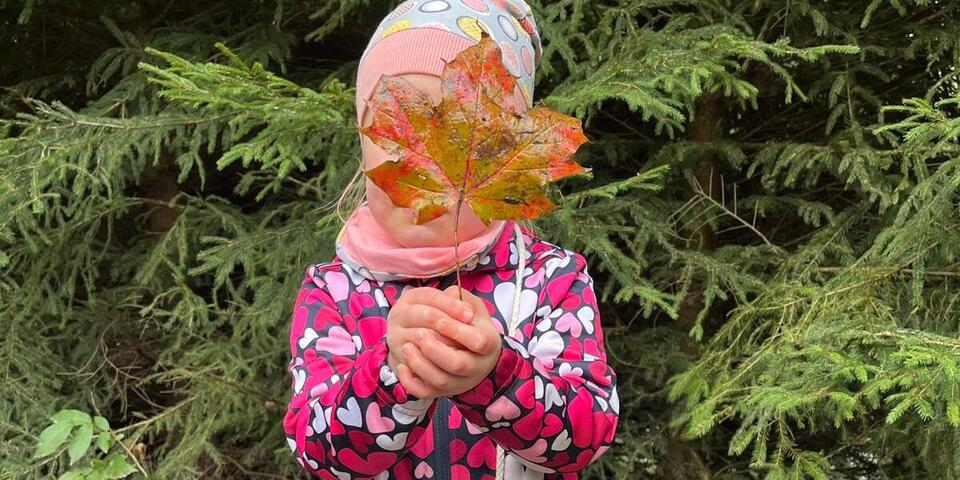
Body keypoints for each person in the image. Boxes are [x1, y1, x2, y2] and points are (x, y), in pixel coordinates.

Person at [283, 1, 619, 478]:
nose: (422, 158)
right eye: (396, 124)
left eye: (459, 134)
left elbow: (587, 435)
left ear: (508, 157)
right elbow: (317, 452)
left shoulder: (551, 280)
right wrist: (391, 376)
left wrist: (497, 375)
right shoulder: (333, 292)